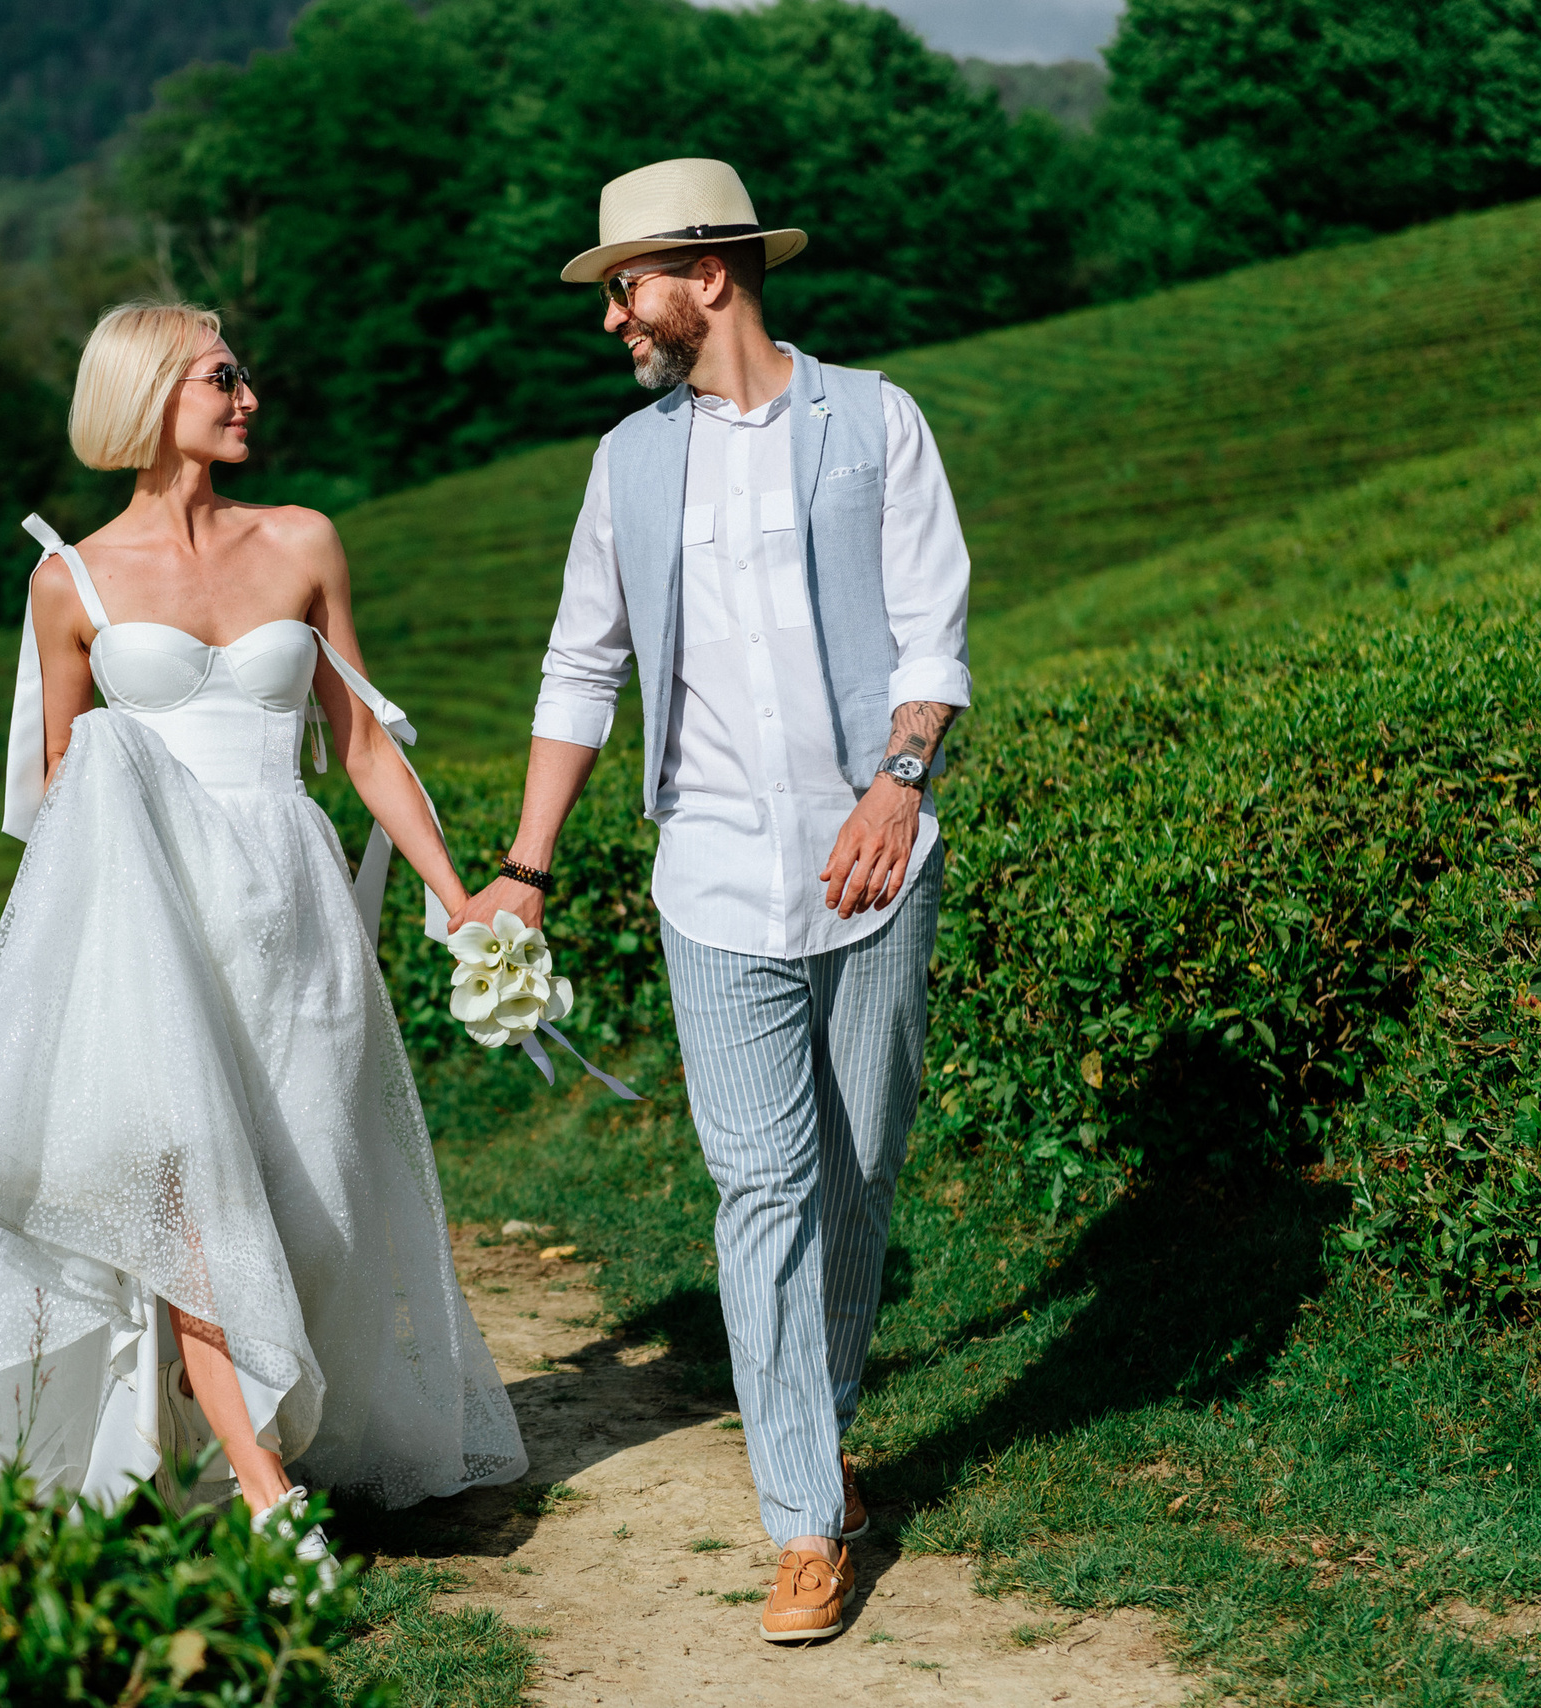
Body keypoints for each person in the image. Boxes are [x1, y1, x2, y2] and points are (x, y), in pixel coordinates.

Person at [0, 302, 527, 1589]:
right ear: (149, 396)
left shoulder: (302, 541)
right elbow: (69, 788)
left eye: (245, 372)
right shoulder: (65, 581)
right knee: (187, 1199)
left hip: (293, 923)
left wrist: (462, 896)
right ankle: (260, 1489)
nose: (250, 393)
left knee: (317, 1197)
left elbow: (362, 746)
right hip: (152, 928)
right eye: (222, 376)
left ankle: (234, 1436)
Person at [450, 158, 972, 1644]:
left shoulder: (874, 420)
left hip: (878, 862)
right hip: (714, 880)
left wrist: (899, 783)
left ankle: (821, 1418)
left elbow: (935, 635)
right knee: (762, 1187)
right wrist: (528, 869)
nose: (614, 313)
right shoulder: (625, 463)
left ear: (710, 275)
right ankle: (803, 1518)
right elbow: (580, 665)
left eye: (628, 283)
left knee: (861, 1171)